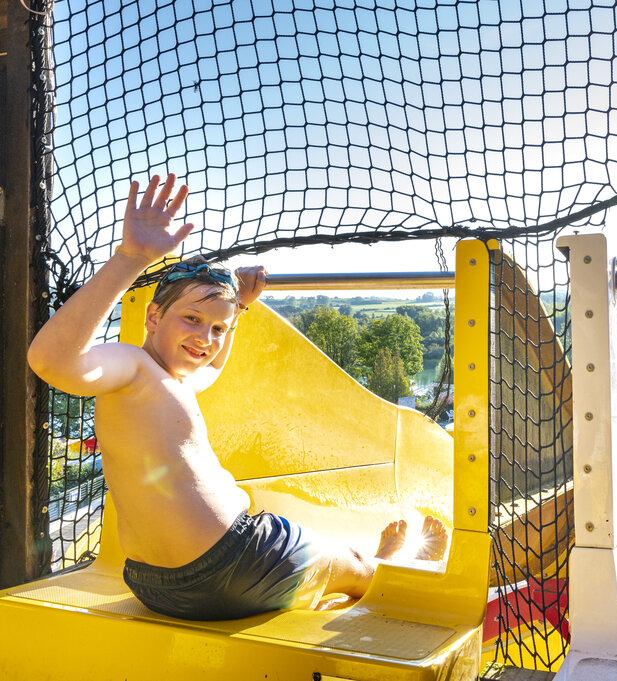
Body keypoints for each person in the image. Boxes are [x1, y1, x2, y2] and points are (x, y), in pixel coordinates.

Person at [27, 174, 448, 621]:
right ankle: (394, 566)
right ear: (153, 316)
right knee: (357, 566)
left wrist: (240, 310)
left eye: (217, 329)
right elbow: (52, 361)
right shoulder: (130, 365)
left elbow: (210, 368)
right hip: (234, 562)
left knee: (324, 560)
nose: (204, 338)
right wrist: (130, 258)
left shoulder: (171, 380)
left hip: (154, 584)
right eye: (191, 318)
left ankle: (359, 569)